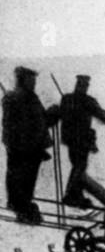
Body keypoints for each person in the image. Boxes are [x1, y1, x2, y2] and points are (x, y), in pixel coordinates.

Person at [2, 66, 60, 224]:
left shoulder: (10, 97)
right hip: (29, 147)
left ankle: (18, 205)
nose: (34, 83)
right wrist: (54, 113)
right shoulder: (28, 98)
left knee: (15, 178)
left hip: (15, 146)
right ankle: (24, 210)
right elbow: (40, 122)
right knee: (26, 180)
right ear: (24, 80)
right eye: (32, 79)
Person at [58, 74, 105, 208]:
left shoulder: (66, 99)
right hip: (82, 140)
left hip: (70, 140)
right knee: (80, 167)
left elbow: (61, 114)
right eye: (84, 85)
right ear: (84, 86)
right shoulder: (87, 101)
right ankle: (71, 195)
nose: (84, 87)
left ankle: (76, 194)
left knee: (78, 166)